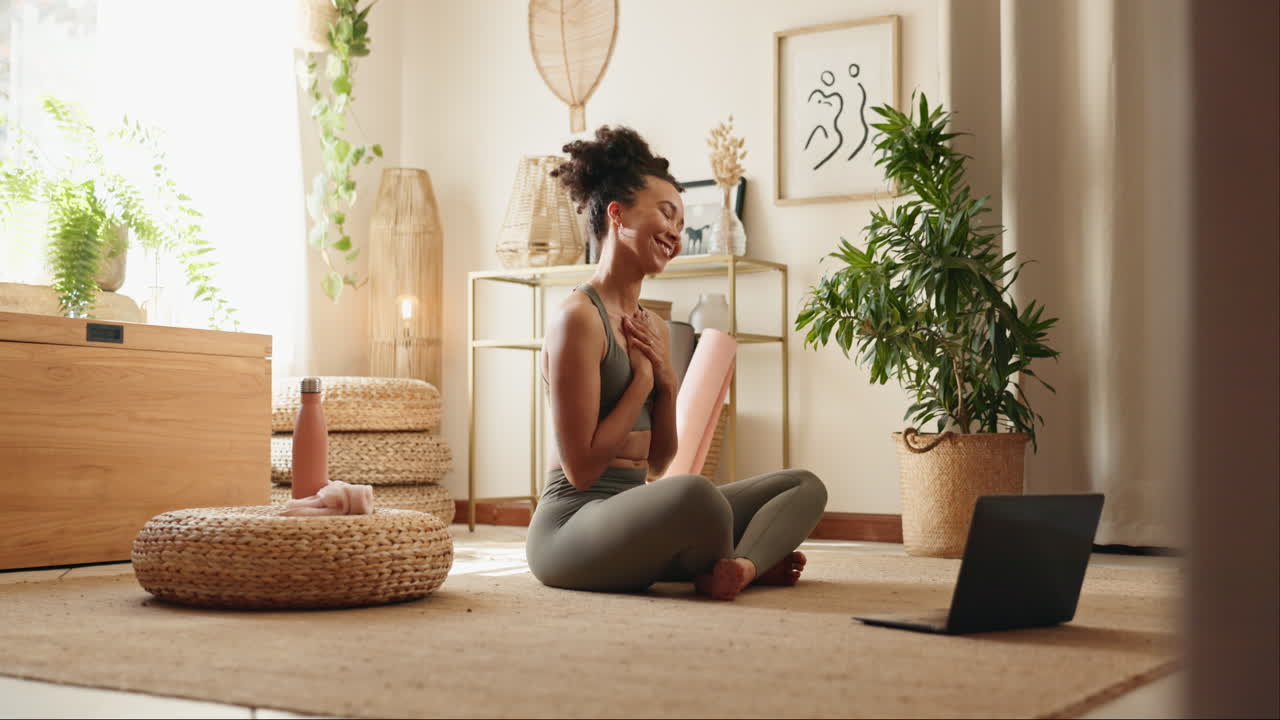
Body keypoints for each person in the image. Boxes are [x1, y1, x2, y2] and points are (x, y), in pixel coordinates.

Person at [526, 125, 828, 601]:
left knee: (803, 486)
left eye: (681, 223)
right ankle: (736, 557)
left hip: (634, 511)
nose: (675, 232)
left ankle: (740, 568)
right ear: (618, 215)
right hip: (570, 529)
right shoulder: (579, 319)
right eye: (666, 214)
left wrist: (666, 381)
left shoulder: (654, 327)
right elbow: (581, 471)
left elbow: (658, 464)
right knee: (697, 496)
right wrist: (643, 376)